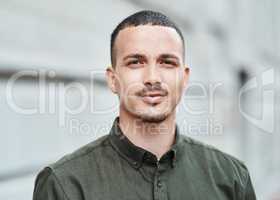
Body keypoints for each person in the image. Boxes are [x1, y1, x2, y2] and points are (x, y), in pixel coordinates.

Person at [33, 10, 256, 200]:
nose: (152, 78)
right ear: (112, 79)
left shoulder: (231, 177)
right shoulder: (64, 184)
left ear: (184, 78)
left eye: (167, 62)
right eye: (136, 62)